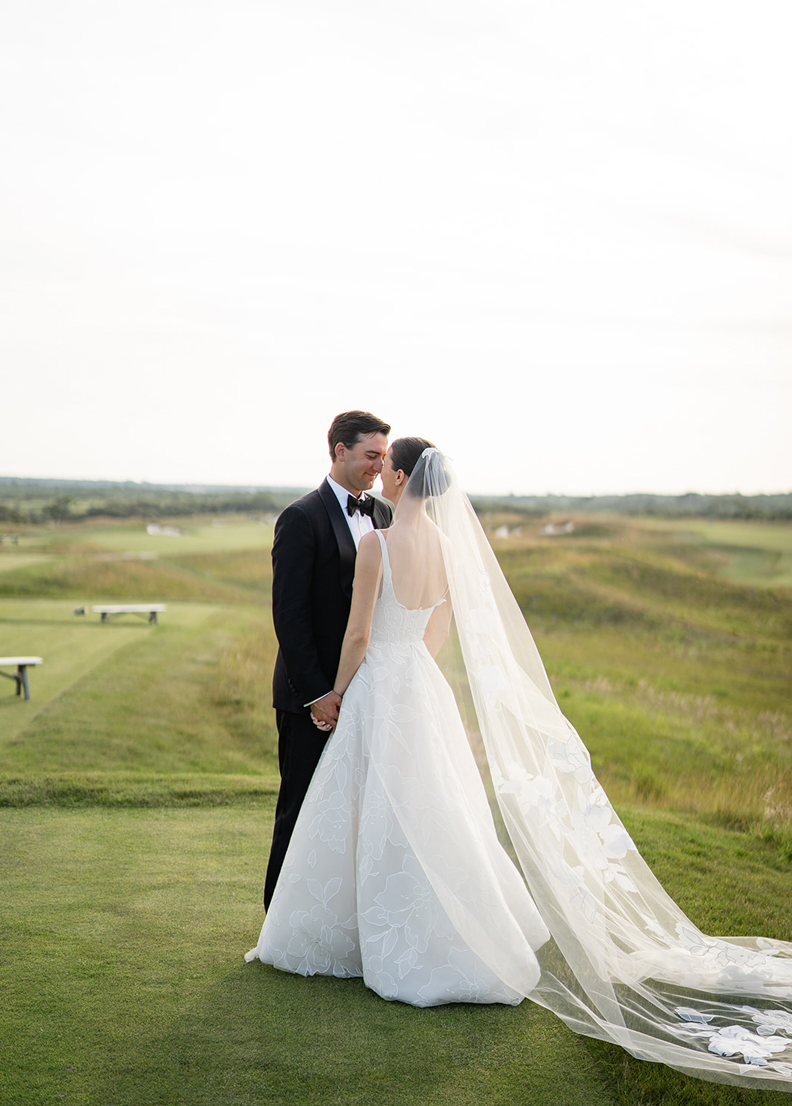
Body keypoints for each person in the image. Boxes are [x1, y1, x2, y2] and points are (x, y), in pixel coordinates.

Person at [249, 441, 792, 1091]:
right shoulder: (444, 547)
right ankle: (444, 930)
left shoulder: (376, 544)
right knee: (434, 806)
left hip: (377, 684)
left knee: (375, 803)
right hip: (420, 685)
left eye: (386, 464)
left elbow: (360, 634)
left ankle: (359, 938)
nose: (380, 471)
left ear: (400, 476)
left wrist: (340, 691)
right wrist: (414, 668)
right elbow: (438, 626)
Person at [263, 410, 392, 911]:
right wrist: (319, 693)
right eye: (371, 455)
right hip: (310, 698)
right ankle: (279, 921)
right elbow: (289, 615)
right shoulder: (301, 517)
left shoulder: (384, 514)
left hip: (368, 693)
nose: (379, 466)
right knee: (300, 810)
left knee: (356, 814)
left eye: (384, 456)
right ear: (340, 450)